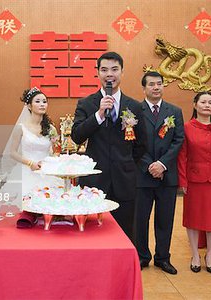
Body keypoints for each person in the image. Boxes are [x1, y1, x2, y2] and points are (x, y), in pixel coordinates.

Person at [71, 52, 146, 242]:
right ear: (97, 72)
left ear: (122, 72)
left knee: (125, 233)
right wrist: (98, 115)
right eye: (104, 70)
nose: (109, 74)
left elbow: (141, 144)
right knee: (93, 233)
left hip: (125, 179)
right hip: (95, 182)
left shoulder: (134, 106)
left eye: (114, 69)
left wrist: (126, 163)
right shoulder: (87, 104)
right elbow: (76, 136)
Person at [177, 92, 211, 274]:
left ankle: (209, 255)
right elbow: (182, 156)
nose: (207, 105)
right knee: (193, 218)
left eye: (210, 102)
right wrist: (182, 180)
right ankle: (195, 255)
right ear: (195, 105)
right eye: (203, 102)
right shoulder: (187, 127)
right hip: (194, 180)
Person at [135, 71, 184, 274]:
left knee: (165, 220)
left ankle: (163, 258)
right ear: (144, 88)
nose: (156, 87)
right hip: (142, 176)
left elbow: (178, 140)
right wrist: (150, 165)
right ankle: (141, 256)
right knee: (140, 220)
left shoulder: (174, 111)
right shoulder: (134, 110)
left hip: (167, 176)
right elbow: (133, 141)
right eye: (152, 84)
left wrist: (162, 164)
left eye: (159, 84)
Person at [3, 87, 62, 196]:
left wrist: (49, 162)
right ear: (29, 106)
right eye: (38, 101)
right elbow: (13, 153)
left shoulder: (51, 129)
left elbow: (56, 151)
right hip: (26, 171)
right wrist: (30, 163)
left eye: (44, 102)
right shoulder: (21, 128)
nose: (42, 104)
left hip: (46, 171)